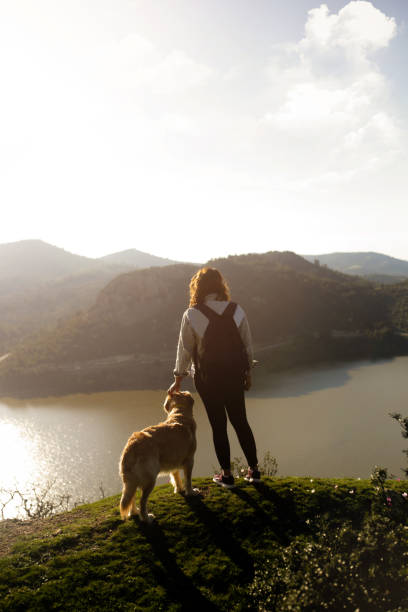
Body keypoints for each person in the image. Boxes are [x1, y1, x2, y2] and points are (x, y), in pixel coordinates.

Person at [167, 267, 260, 488]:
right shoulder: (237, 310)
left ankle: (226, 475)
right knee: (241, 422)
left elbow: (185, 350)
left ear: (197, 288)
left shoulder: (192, 313)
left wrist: (178, 379)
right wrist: (248, 373)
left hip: (208, 378)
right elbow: (247, 345)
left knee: (218, 425)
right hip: (235, 374)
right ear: (220, 285)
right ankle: (254, 471)